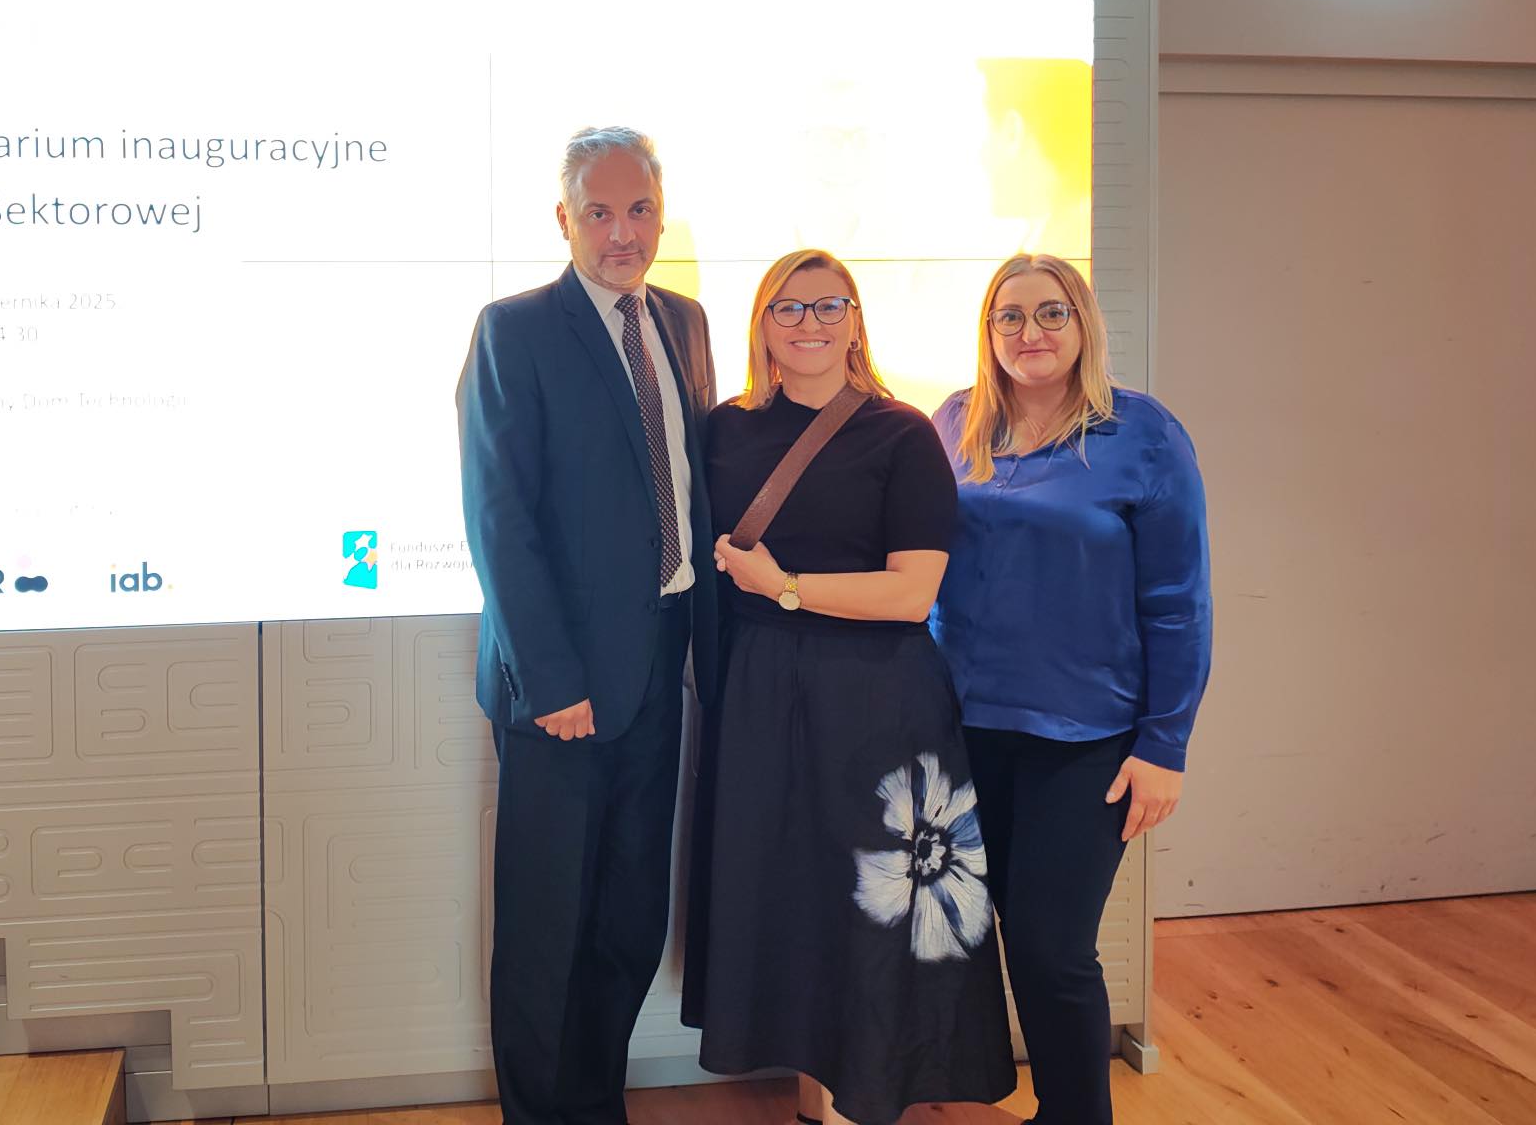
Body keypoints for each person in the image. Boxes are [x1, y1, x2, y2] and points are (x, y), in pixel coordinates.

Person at [682, 249, 1016, 1125]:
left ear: (857, 320)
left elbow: (912, 594)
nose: (811, 324)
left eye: (830, 306)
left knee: (873, 912)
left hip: (877, 698)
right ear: (762, 324)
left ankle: (863, 1101)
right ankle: (814, 1103)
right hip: (758, 694)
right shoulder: (724, 430)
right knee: (788, 896)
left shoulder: (901, 434)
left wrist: (784, 587)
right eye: (789, 308)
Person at [457, 126, 719, 1125]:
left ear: (662, 213)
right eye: (599, 213)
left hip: (662, 661)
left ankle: (594, 1105)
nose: (622, 233)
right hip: (561, 688)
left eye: (639, 210)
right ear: (563, 219)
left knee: (626, 917)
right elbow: (499, 517)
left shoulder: (683, 322)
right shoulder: (514, 330)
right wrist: (551, 680)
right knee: (546, 929)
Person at [931, 253, 1213, 1125]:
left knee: (1053, 950)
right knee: (980, 939)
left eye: (1051, 313)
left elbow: (1179, 603)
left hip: (1087, 737)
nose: (1031, 333)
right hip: (962, 730)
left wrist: (1164, 747)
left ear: (1083, 323)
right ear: (989, 332)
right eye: (1010, 316)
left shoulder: (1142, 434)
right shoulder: (955, 423)